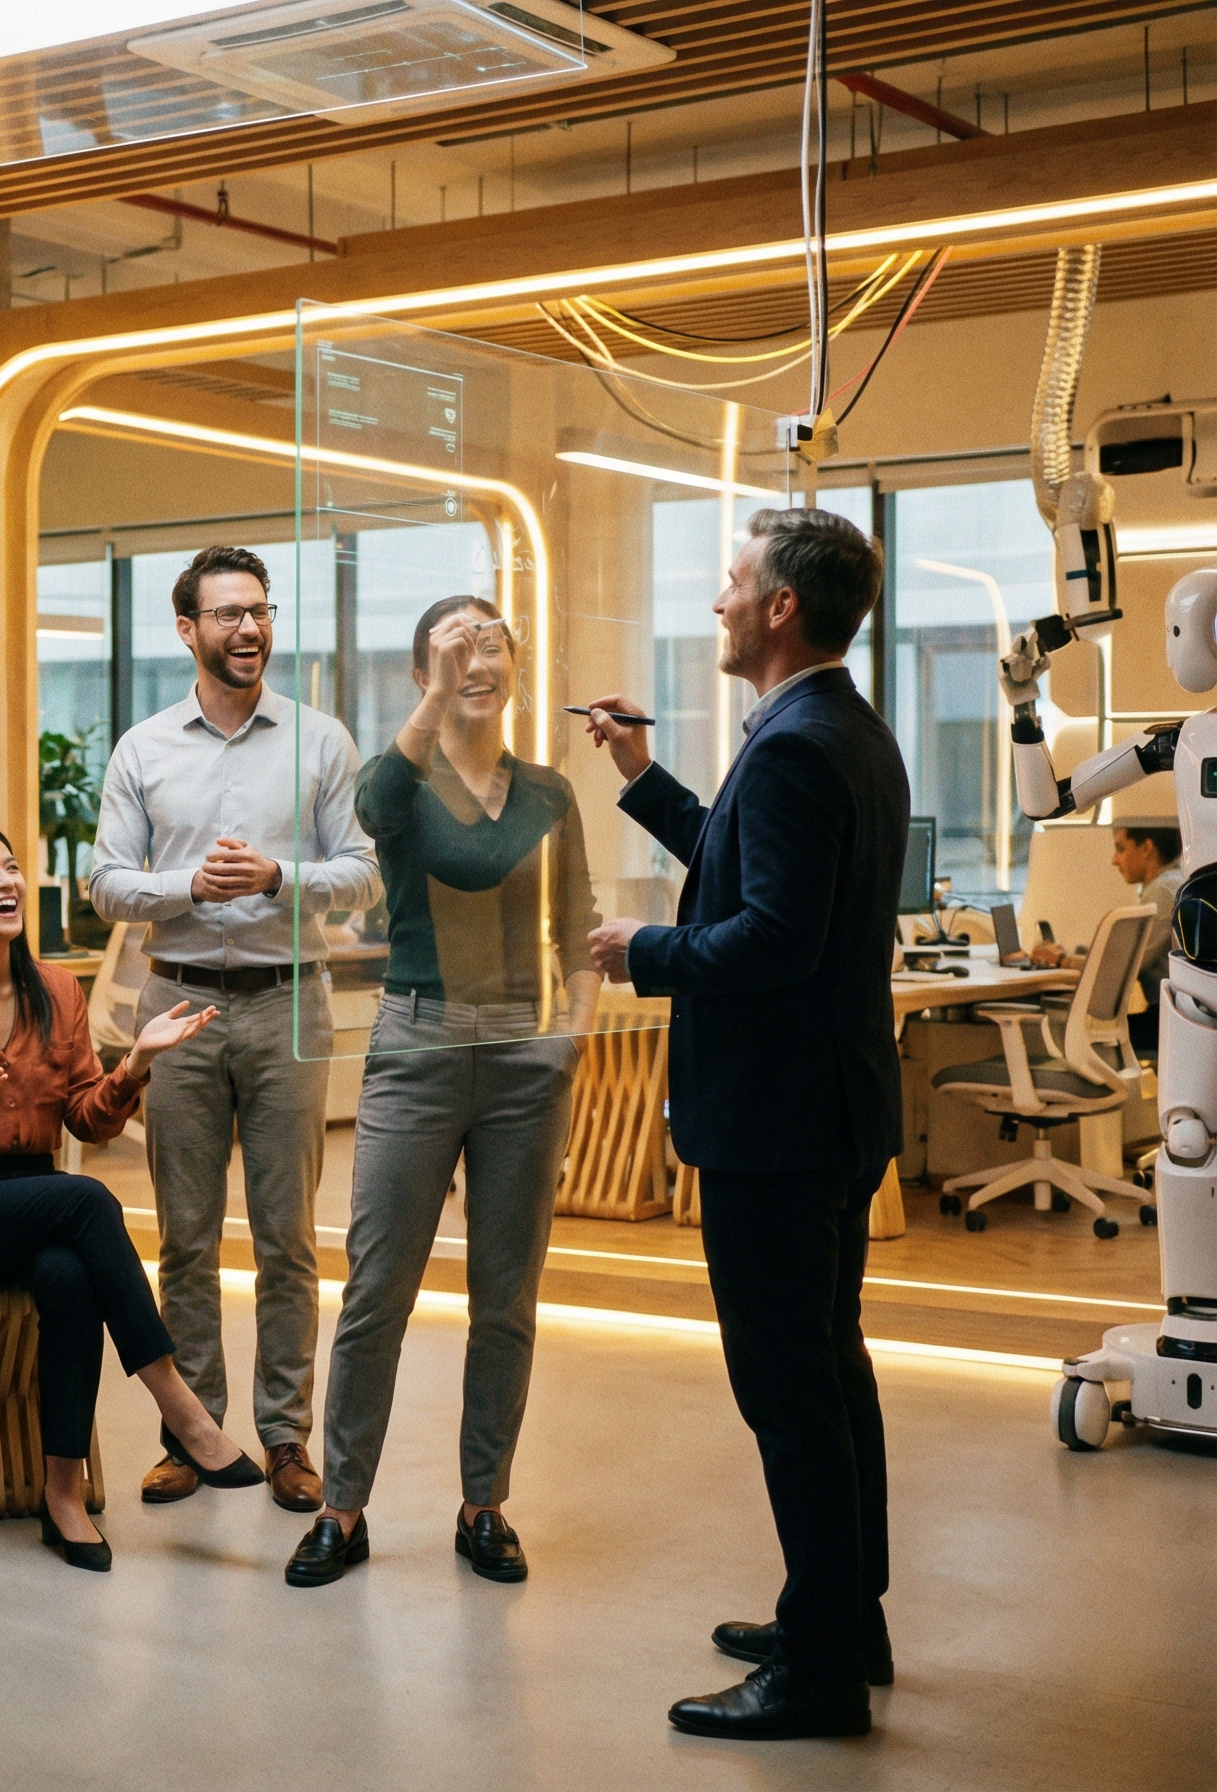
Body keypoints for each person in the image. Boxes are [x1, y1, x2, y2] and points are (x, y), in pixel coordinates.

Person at [582, 506, 908, 1742]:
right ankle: (845, 1612)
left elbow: (772, 938)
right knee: (832, 1370)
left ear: (781, 608)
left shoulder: (790, 745)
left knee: (790, 1392)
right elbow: (740, 858)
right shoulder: (839, 726)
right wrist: (638, 776)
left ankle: (820, 1668)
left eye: (731, 583)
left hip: (775, 1124)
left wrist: (641, 949)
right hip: (829, 1110)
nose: (716, 601)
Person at [286, 595, 599, 1593]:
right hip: (417, 1047)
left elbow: (580, 925)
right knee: (378, 1289)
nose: (478, 656)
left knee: (505, 1298)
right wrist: (428, 698)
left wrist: (573, 1043)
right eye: (454, 644)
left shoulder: (549, 792)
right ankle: (342, 1506)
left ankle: (484, 1504)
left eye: (493, 639)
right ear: (427, 665)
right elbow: (372, 809)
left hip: (523, 1057)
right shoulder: (408, 784)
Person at [89, 545, 382, 1511]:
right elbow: (104, 885)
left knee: (289, 1236)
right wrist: (190, 885)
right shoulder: (144, 748)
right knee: (184, 1235)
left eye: (259, 611)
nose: (249, 629)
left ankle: (288, 1438)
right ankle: (194, 1433)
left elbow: (364, 871)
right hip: (175, 1006)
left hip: (288, 998)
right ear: (188, 630)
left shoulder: (321, 739)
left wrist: (275, 879)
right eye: (228, 615)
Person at [0, 825, 256, 1571]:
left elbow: (86, 1115)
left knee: (69, 1275)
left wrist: (136, 1065)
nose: (7, 880)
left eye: (12, 866)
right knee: (86, 1202)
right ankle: (181, 1408)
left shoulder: (55, 989)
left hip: (32, 1200)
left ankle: (62, 1493)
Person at [1026, 824, 1183, 1053]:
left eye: (1120, 849)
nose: (1114, 860)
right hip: (1170, 1016)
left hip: (1165, 1022)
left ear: (1146, 847)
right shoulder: (1171, 883)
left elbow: (1121, 967)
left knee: (1048, 1030)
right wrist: (1072, 956)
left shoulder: (1164, 892)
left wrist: (1062, 960)